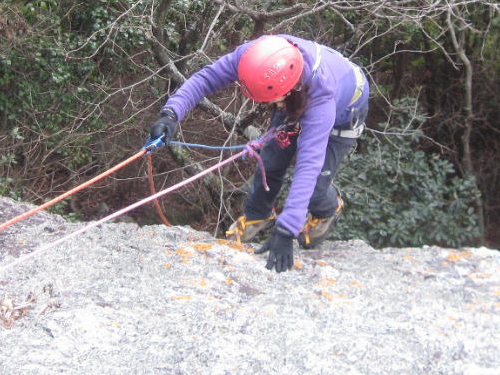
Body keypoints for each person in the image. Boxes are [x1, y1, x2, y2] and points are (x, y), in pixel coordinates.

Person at [148, 34, 369, 273]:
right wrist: (171, 114)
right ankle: (257, 215)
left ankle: (328, 209)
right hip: (297, 92)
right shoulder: (254, 57)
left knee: (316, 186)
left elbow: (308, 165)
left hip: (345, 111)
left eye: (272, 100)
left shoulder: (321, 97)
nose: (268, 105)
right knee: (272, 160)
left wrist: (288, 228)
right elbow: (206, 79)